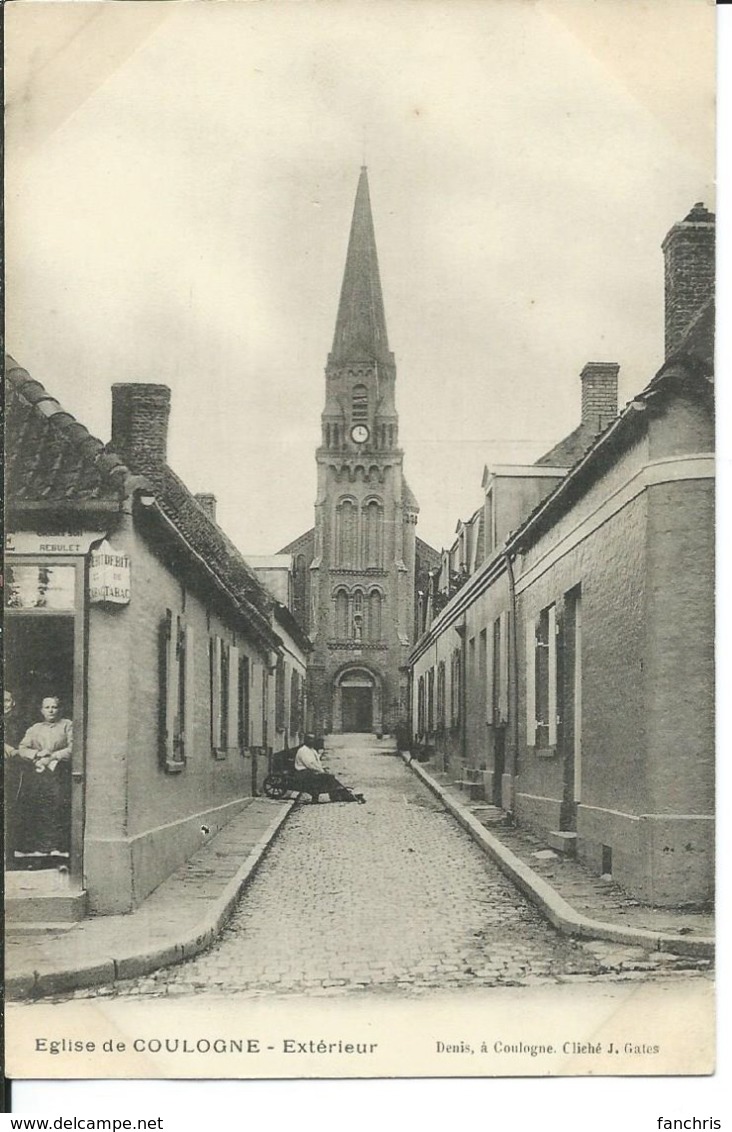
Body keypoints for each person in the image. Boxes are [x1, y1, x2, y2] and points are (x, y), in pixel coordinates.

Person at [18, 695, 73, 857]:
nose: (51, 710)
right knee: (39, 806)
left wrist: (54, 756)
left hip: (60, 773)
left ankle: (58, 846)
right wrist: (36, 754)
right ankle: (41, 846)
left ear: (59, 709)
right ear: (41, 710)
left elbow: (73, 747)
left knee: (58, 806)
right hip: (39, 774)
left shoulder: (67, 725)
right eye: (47, 707)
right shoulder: (35, 728)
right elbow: (22, 748)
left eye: (54, 707)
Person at [293, 735, 365, 804]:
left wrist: (322, 769)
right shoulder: (303, 750)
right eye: (309, 739)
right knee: (329, 777)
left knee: (330, 778)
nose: (311, 741)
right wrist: (321, 771)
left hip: (310, 772)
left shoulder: (312, 750)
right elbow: (310, 764)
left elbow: (316, 763)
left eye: (313, 739)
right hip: (303, 773)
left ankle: (342, 794)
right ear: (305, 740)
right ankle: (345, 795)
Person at [4, 691, 27, 864]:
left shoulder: (19, 723)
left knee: (10, 808)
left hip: (11, 770)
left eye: (6, 700)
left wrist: (14, 751)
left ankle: (9, 854)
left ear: (13, 702)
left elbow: (24, 745)